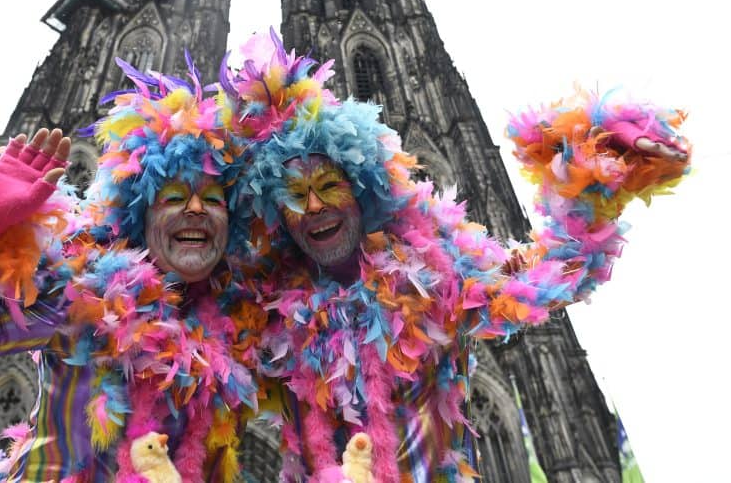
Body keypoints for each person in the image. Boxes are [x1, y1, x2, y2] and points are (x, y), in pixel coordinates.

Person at [220, 30, 690, 482]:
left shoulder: (433, 282)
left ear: (363, 193)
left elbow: (544, 278)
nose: (317, 205)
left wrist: (594, 173)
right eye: (297, 196)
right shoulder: (267, 314)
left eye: (328, 186)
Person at [0, 57, 261, 482]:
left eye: (212, 199)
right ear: (141, 216)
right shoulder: (81, 302)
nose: (195, 208)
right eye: (173, 196)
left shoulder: (238, 332)